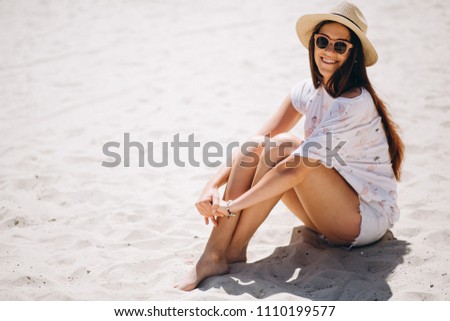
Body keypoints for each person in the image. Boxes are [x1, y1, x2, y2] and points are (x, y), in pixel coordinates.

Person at [174, 2, 404, 291]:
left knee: (284, 146)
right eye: (323, 42)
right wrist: (211, 187)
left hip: (363, 218)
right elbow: (253, 144)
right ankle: (224, 252)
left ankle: (214, 254)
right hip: (327, 210)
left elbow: (294, 172)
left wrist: (230, 207)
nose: (329, 51)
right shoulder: (309, 89)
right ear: (313, 44)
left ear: (353, 54)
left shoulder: (354, 103)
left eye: (340, 46)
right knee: (260, 144)